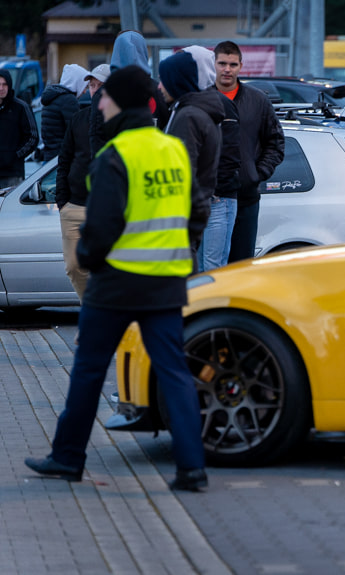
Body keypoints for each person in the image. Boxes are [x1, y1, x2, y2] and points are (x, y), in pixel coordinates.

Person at [25, 65, 209, 492]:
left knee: (88, 371)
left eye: (105, 97)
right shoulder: (173, 149)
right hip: (164, 281)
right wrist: (180, 252)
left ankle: (68, 458)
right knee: (175, 372)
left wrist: (89, 257)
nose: (99, 103)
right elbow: (197, 209)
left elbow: (101, 229)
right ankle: (192, 468)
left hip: (114, 285)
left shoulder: (115, 156)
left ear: (121, 104)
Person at [213, 41, 284, 263]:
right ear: (213, 64)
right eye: (222, 63)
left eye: (232, 64)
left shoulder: (258, 100)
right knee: (210, 267)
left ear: (241, 66)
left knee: (241, 265)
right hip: (211, 199)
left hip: (246, 198)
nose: (227, 69)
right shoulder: (202, 99)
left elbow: (276, 142)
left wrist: (256, 173)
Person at [158, 47, 225, 270]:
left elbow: (182, 175)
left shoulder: (188, 116)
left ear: (177, 81)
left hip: (177, 224)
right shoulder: (194, 112)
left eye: (164, 80)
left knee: (179, 296)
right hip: (185, 222)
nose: (159, 86)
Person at [56, 64, 110, 301]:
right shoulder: (78, 118)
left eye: (100, 86)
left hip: (106, 207)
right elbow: (64, 159)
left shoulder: (119, 122)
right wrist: (62, 201)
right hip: (75, 205)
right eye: (91, 85)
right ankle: (94, 311)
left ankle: (98, 321)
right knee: (74, 266)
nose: (94, 90)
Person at [90, 30, 171, 157]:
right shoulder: (157, 90)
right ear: (144, 52)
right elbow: (166, 128)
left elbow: (97, 137)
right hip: (152, 163)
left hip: (115, 165)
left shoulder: (105, 93)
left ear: (116, 54)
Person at [39, 64, 89, 162]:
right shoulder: (69, 100)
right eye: (83, 86)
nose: (84, 91)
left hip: (49, 158)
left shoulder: (52, 97)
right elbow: (77, 132)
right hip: (61, 160)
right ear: (76, 82)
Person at [0, 69, 39, 188]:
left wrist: (14, 155)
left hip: (13, 175)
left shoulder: (21, 107)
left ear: (10, 85)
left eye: (4, 84)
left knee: (9, 207)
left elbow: (32, 137)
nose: (1, 88)